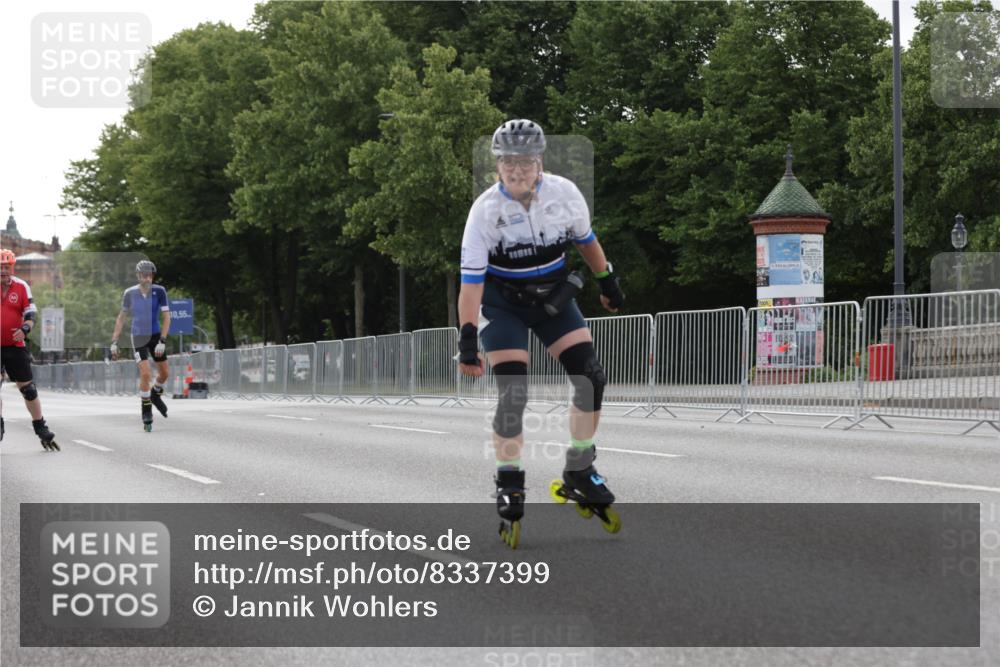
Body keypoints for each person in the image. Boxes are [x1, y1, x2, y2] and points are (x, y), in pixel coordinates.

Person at [458, 119, 626, 547]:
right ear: (497, 165)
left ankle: (579, 468)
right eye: (508, 162)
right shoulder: (484, 212)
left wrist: (607, 281)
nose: (517, 170)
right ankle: (509, 479)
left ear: (540, 163)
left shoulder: (565, 194)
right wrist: (467, 338)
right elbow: (471, 284)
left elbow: (586, 240)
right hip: (503, 304)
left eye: (525, 162)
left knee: (591, 376)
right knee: (514, 392)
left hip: (553, 299)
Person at [0, 248, 59, 450]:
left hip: (16, 346)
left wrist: (25, 329)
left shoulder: (21, 286)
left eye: (6, 267)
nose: (3, 271)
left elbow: (31, 314)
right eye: (0, 267)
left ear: (12, 268)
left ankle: (40, 427)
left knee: (28, 389)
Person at [111, 259, 171, 432]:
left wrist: (162, 340)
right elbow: (121, 318)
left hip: (155, 336)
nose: (147, 278)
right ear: (138, 276)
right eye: (144, 275)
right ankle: (146, 411)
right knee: (146, 374)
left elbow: (167, 316)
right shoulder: (129, 293)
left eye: (150, 275)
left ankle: (155, 395)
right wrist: (114, 341)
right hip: (138, 336)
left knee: (164, 373)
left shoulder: (160, 291)